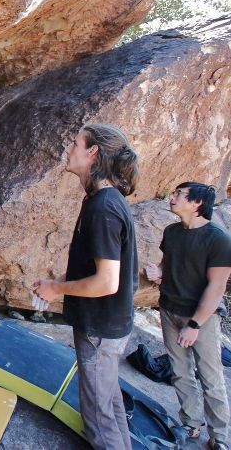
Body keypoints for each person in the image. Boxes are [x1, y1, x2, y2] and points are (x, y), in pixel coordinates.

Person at [35, 124, 140, 450]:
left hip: (100, 330)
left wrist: (56, 289)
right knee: (110, 406)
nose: (68, 148)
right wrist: (58, 283)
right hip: (107, 327)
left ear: (92, 152)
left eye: (75, 143)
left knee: (99, 418)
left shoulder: (104, 207)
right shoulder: (103, 200)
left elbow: (107, 282)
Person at [144, 182, 231, 450]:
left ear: (196, 203)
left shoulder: (219, 239)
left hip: (200, 317)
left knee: (210, 377)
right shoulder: (172, 232)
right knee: (180, 371)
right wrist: (158, 273)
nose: (172, 198)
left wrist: (194, 325)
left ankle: (221, 436)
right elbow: (166, 264)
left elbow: (216, 287)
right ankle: (191, 424)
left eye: (179, 195)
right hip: (170, 309)